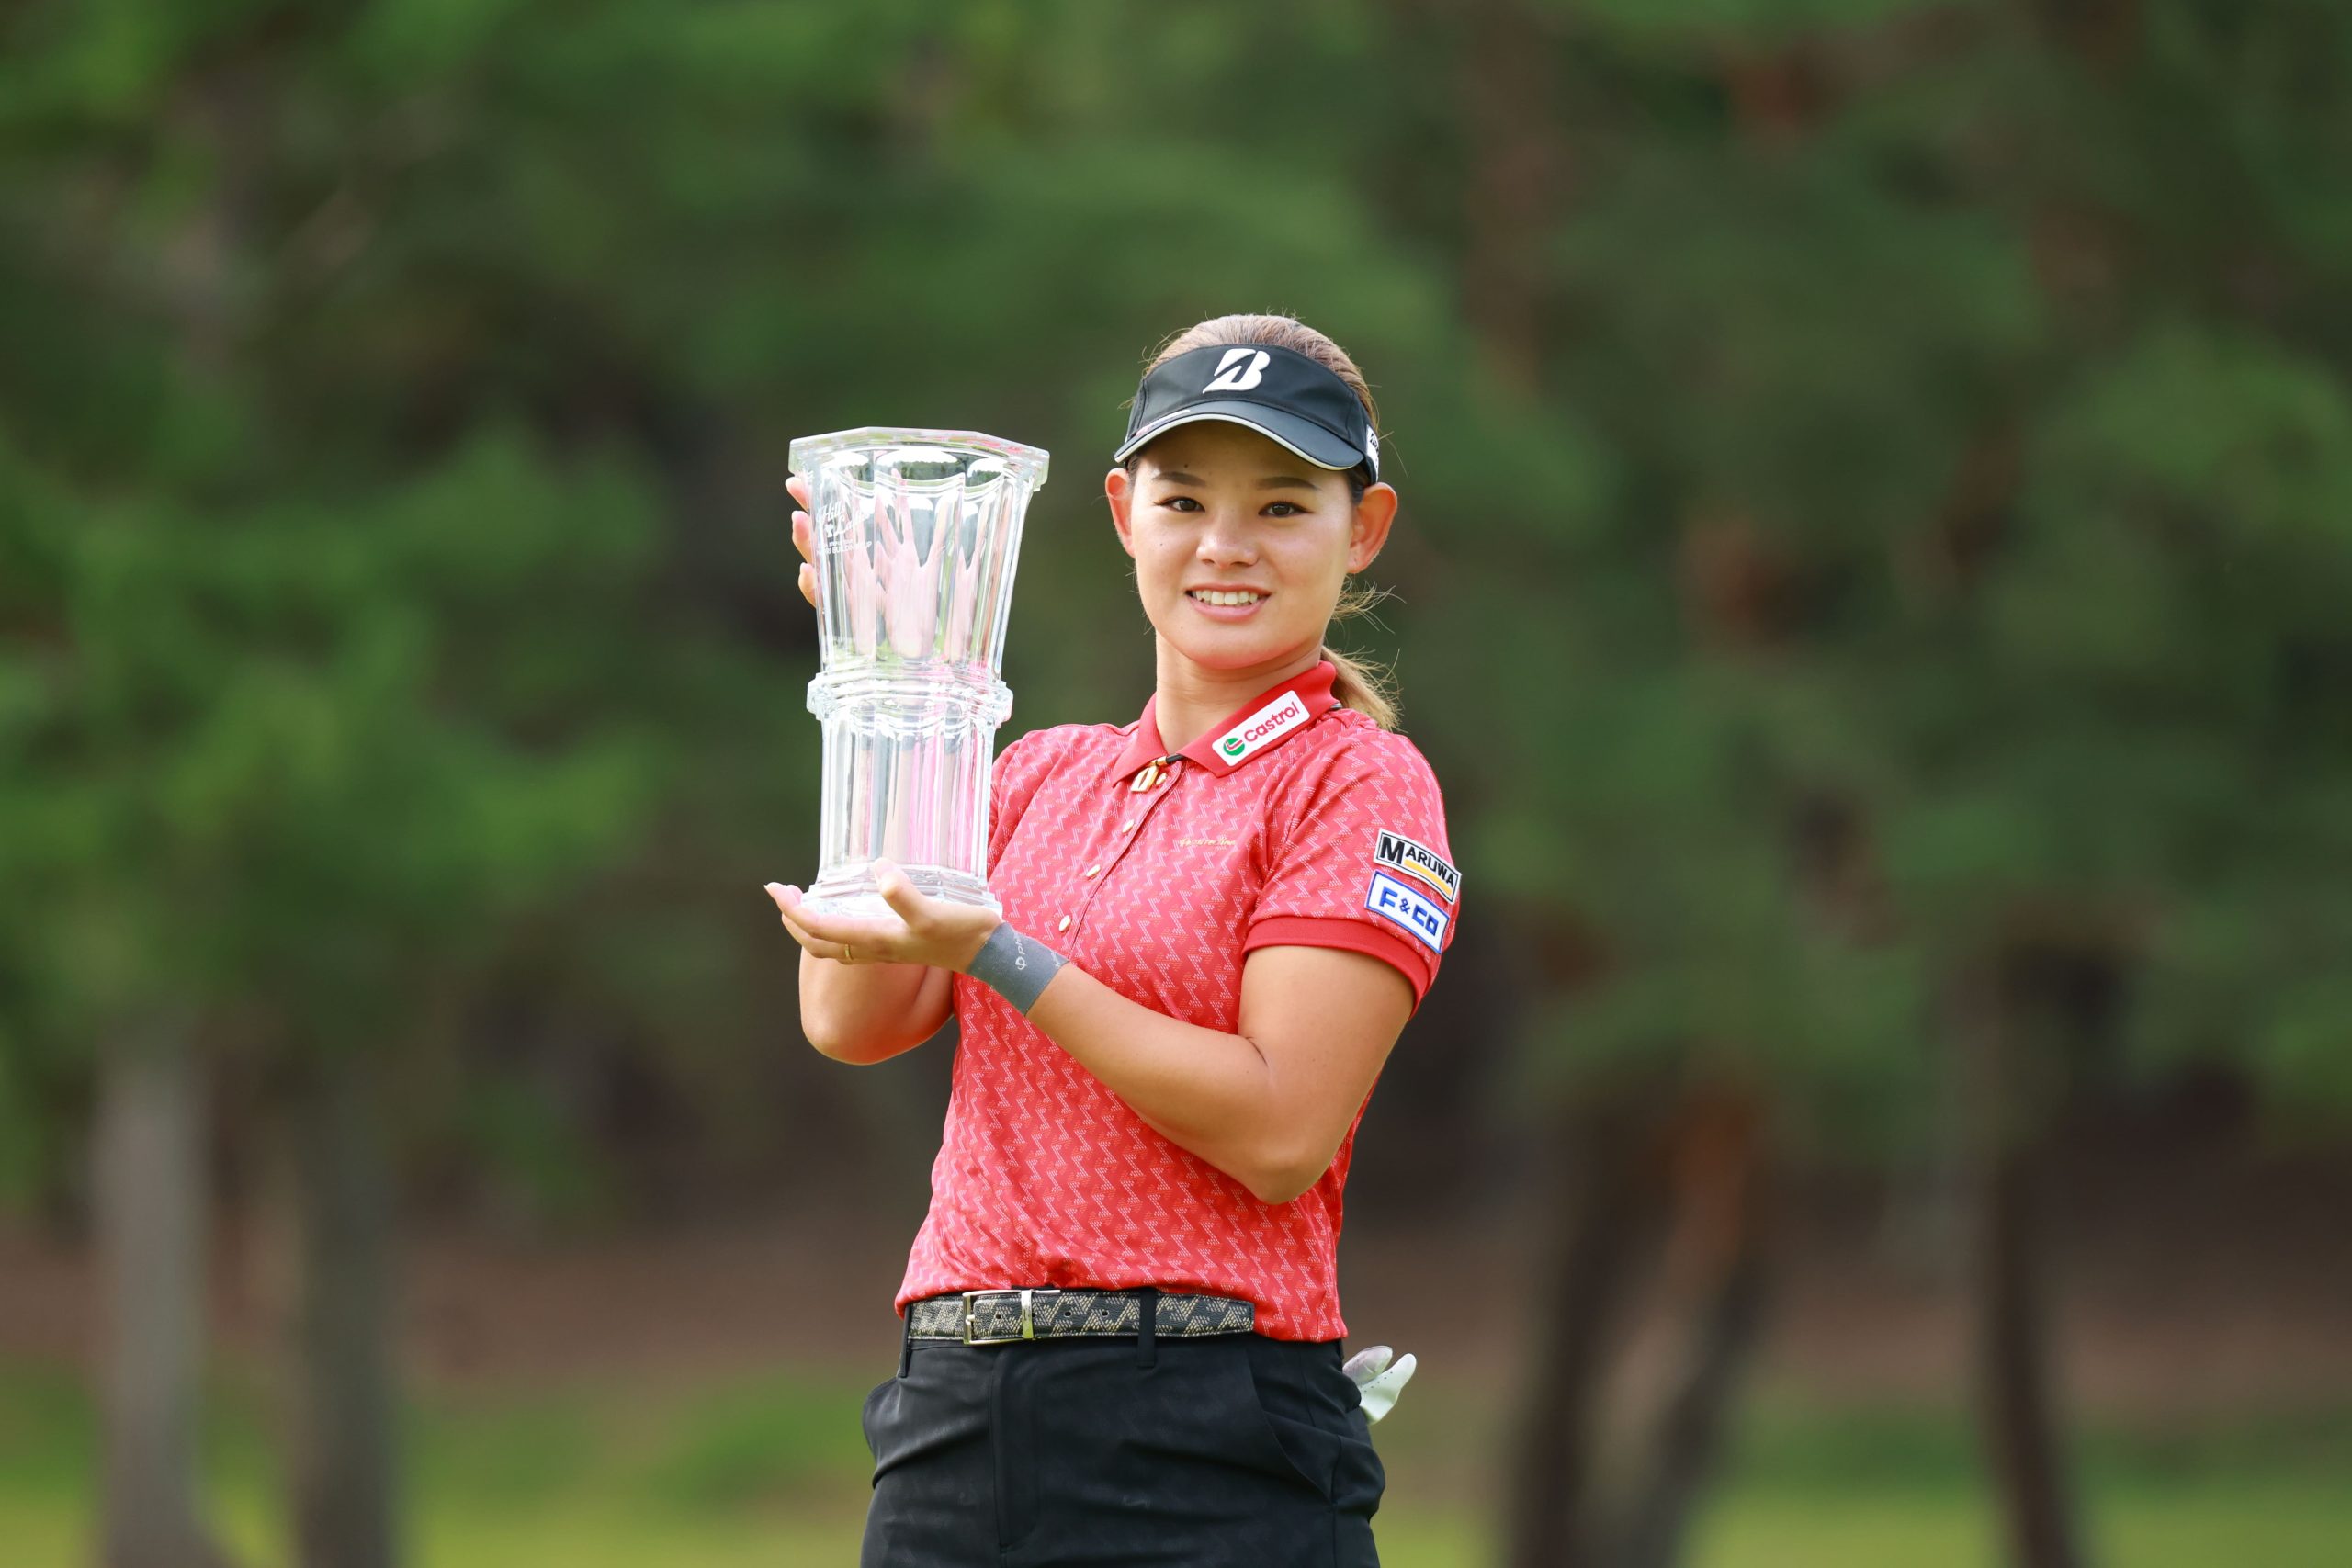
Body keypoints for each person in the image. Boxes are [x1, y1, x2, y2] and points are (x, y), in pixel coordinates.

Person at [765, 313, 1461, 1566]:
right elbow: (852, 1018)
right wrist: (897, 688)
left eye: (1283, 505)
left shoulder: (1357, 785)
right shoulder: (1032, 774)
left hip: (1207, 1435)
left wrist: (1006, 958)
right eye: (1183, 497)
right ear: (1122, 510)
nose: (1225, 545)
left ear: (1362, 531)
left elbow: (1279, 1130)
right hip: (957, 1422)